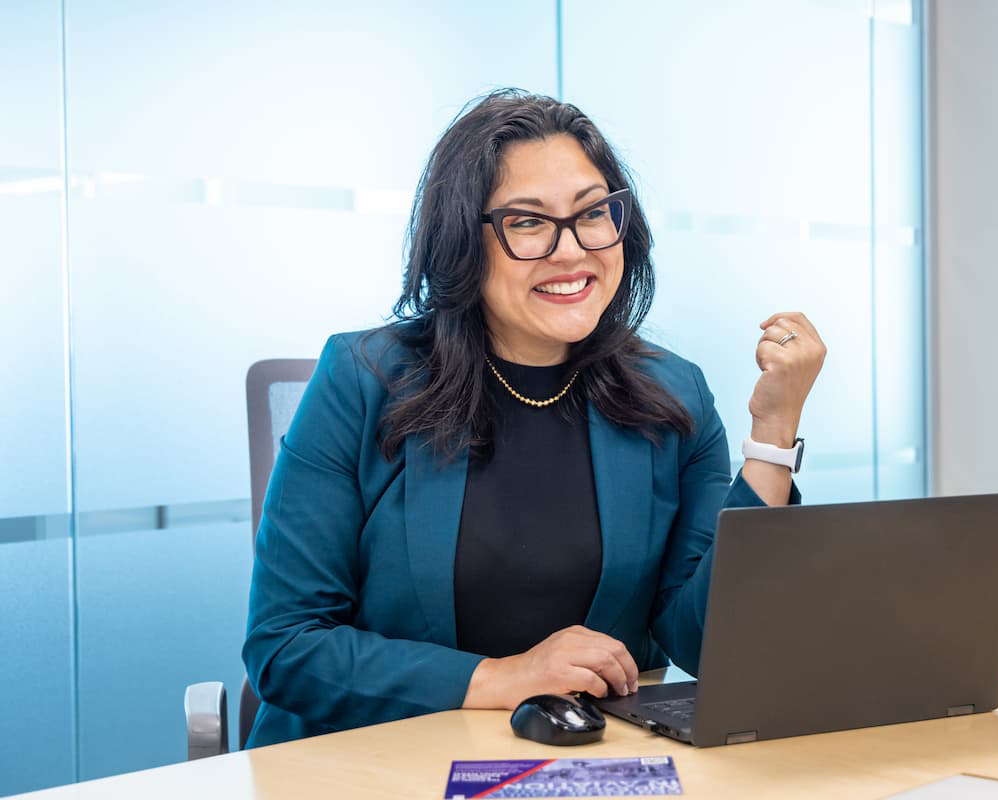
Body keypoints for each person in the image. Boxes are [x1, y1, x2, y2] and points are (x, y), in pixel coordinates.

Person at [242, 89, 825, 747]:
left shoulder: (672, 396)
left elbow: (708, 644)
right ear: (465, 241)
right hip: (368, 768)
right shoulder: (362, 377)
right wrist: (503, 679)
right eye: (527, 222)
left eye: (593, 213)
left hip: (579, 773)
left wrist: (773, 438)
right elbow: (286, 647)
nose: (572, 251)